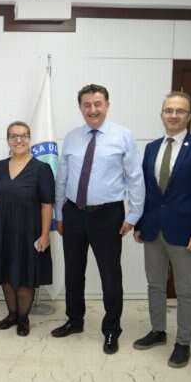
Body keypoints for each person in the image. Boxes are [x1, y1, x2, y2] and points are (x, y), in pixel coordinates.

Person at [51, 84, 145, 354]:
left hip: (108, 215)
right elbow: (62, 178)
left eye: (97, 104)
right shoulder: (72, 137)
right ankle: (75, 320)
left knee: (110, 275)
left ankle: (112, 329)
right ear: (80, 107)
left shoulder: (123, 136)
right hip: (73, 213)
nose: (92, 109)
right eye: (87, 105)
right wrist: (60, 214)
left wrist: (134, 215)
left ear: (107, 105)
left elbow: (135, 178)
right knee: (73, 271)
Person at [133, 91, 191, 368]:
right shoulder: (151, 148)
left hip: (185, 233)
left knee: (185, 291)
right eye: (169, 110)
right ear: (162, 114)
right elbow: (147, 191)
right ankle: (158, 331)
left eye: (180, 111)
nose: (173, 115)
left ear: (188, 115)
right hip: (153, 230)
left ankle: (183, 342)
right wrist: (140, 224)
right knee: (155, 284)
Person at [0, 121, 54, 336]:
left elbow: (47, 204)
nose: (18, 140)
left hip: (29, 231)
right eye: (13, 136)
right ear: (8, 140)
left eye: (23, 136)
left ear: (29, 139)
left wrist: (45, 235)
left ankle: (23, 318)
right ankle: (11, 315)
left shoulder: (42, 169)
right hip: (2, 230)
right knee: (5, 273)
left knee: (25, 275)